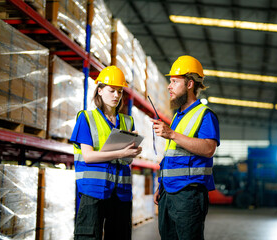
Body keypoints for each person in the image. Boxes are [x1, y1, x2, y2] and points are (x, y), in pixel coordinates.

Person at [152, 55, 220, 240]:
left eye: (174, 81)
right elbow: (172, 155)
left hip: (189, 193)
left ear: (190, 84)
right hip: (169, 192)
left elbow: (208, 149)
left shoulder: (205, 115)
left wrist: (171, 134)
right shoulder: (178, 117)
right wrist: (161, 185)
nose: (169, 86)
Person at [70, 65, 142, 240]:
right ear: (100, 91)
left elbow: (125, 161)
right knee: (89, 237)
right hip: (93, 191)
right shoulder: (86, 118)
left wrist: (132, 153)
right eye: (112, 90)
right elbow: (88, 156)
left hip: (121, 193)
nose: (116, 95)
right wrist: (119, 153)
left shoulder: (128, 121)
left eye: (120, 91)